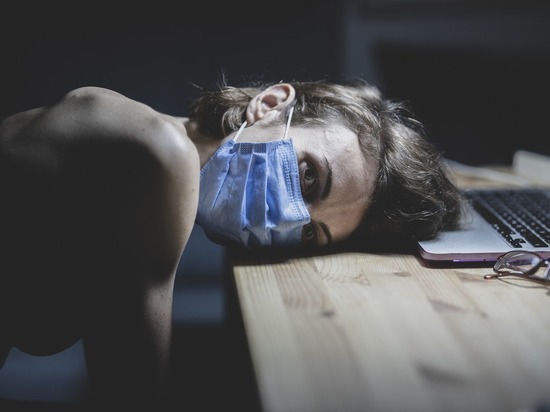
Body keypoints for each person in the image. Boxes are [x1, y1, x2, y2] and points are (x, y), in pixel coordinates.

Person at [0, 77, 464, 409]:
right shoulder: (159, 155)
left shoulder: (154, 146)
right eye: (308, 176)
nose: (289, 217)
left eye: (310, 232)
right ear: (270, 104)